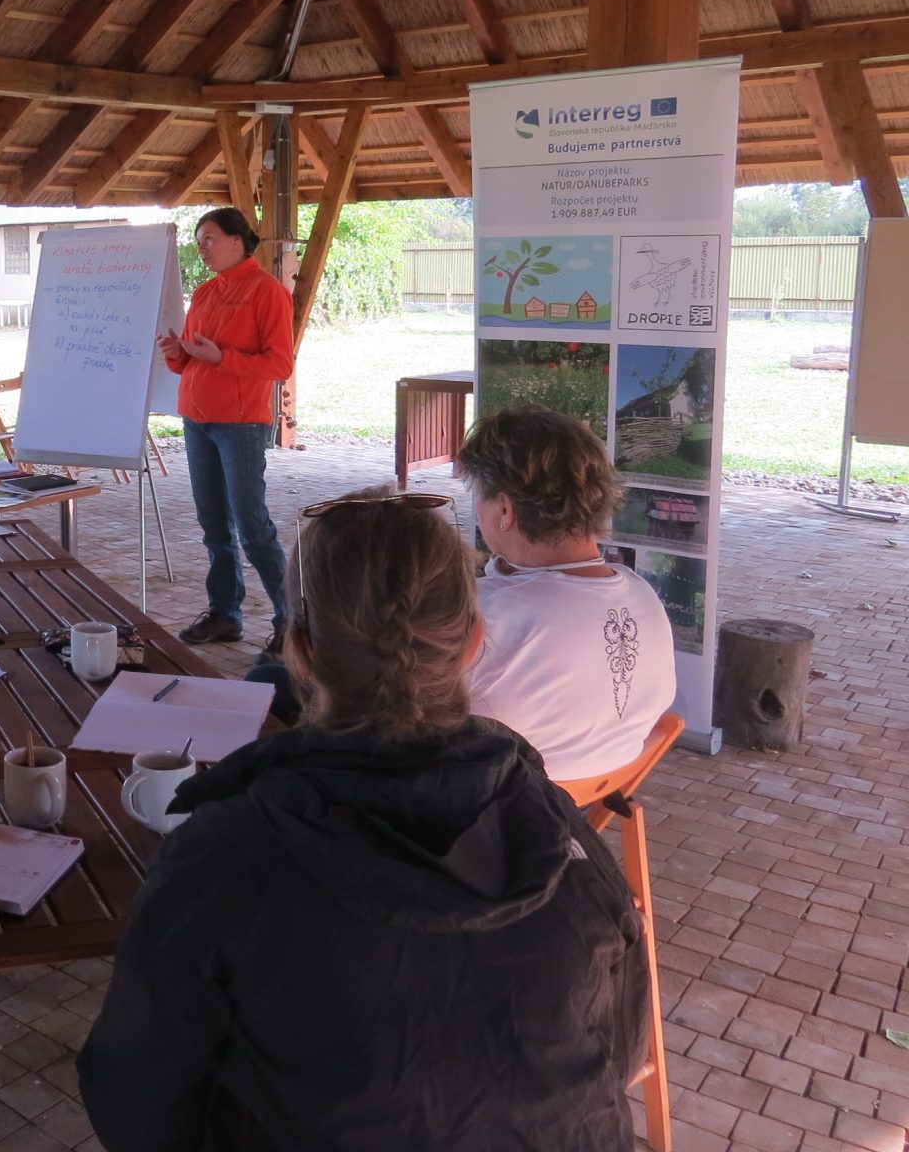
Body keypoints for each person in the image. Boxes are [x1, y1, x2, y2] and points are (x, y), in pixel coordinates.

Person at [79, 493, 648, 1151]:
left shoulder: (222, 855)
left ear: (299, 655)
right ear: (472, 645)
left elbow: (137, 1098)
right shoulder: (558, 830)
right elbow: (623, 1053)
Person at [456, 408, 679, 781]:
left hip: (506, 809)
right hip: (602, 787)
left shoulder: (485, 611)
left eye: (478, 495)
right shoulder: (642, 593)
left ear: (505, 510)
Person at [158, 206, 293, 652]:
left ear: (238, 240)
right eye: (199, 240)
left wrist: (222, 358)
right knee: (213, 524)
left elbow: (280, 364)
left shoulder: (267, 292)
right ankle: (225, 613)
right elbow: (193, 360)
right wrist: (176, 352)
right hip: (197, 420)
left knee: (253, 527)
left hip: (241, 425)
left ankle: (292, 622)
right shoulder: (204, 293)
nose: (203, 247)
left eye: (209, 238)